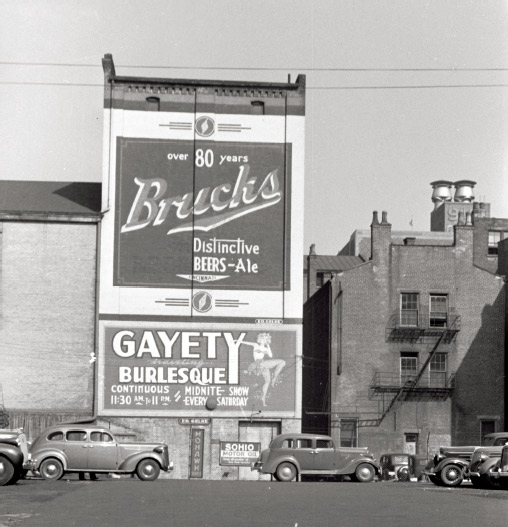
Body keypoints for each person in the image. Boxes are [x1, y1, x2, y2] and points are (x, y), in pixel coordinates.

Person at [240, 333, 285, 406]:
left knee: (267, 381)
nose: (264, 340)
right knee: (282, 362)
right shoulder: (256, 345)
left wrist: (268, 346)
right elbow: (247, 343)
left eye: (265, 339)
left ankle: (263, 399)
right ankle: (274, 378)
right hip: (259, 364)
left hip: (264, 365)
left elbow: (271, 355)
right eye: (263, 339)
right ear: (259, 339)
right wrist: (238, 341)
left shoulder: (266, 348)